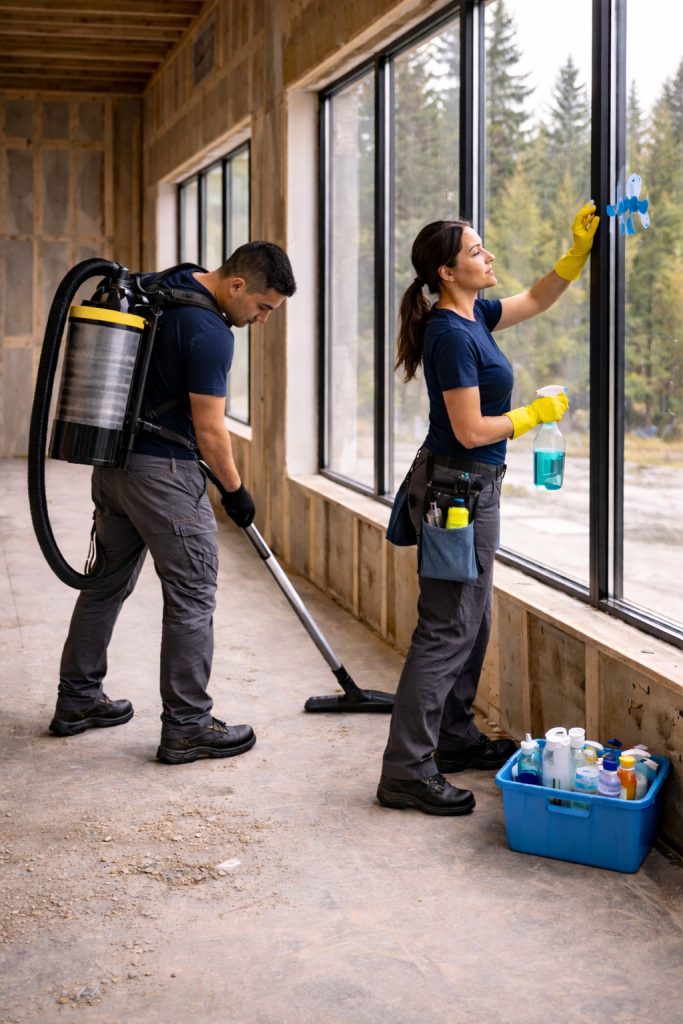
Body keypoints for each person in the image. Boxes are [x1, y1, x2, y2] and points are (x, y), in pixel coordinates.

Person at [378, 202, 599, 814]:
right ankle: (405, 769)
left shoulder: (474, 316)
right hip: (457, 491)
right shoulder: (450, 334)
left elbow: (536, 299)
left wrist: (575, 253)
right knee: (447, 627)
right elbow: (471, 428)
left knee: (471, 622)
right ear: (447, 272)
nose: (488, 255)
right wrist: (534, 415)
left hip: (474, 489)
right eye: (476, 251)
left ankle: (450, 737)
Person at [48, 242, 297, 764]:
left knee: (104, 585)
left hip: (113, 465)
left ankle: (77, 700)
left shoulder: (167, 285)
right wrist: (236, 492)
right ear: (235, 285)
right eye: (263, 307)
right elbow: (210, 431)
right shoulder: (209, 333)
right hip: (164, 476)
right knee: (192, 594)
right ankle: (187, 725)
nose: (262, 319)